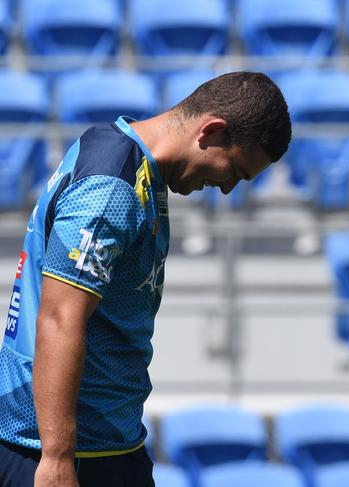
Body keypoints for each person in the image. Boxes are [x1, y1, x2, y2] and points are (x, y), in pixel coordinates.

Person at [0, 71, 291, 487]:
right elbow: (60, 318)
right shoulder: (112, 187)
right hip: (68, 454)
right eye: (236, 170)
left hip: (108, 445)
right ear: (211, 132)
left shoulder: (114, 149)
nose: (227, 189)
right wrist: (57, 457)